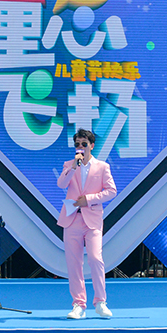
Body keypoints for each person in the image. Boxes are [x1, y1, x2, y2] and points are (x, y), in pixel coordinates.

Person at [57, 128, 116, 319]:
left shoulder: (102, 167)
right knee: (74, 263)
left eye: (84, 144)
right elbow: (61, 184)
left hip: (92, 220)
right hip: (72, 218)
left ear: (92, 145)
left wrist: (89, 199)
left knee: (95, 258)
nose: (80, 147)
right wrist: (74, 166)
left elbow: (111, 191)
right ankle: (78, 304)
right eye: (77, 144)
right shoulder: (69, 165)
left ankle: (100, 302)